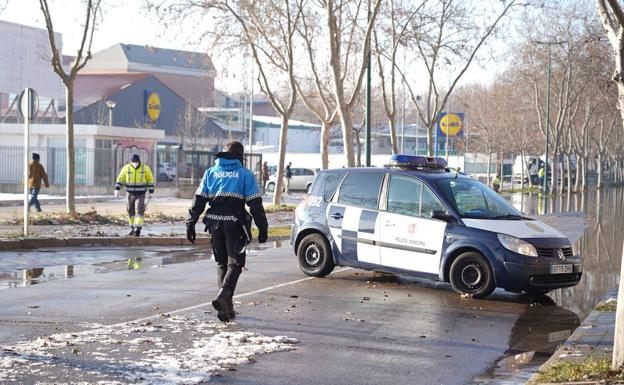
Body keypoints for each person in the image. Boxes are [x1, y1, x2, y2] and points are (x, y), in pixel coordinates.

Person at [186, 141, 268, 322]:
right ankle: (223, 296)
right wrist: (263, 228)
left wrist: (191, 222)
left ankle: (226, 309)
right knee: (236, 264)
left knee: (222, 264)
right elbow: (255, 204)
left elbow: (199, 199)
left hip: (214, 224)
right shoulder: (245, 175)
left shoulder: (210, 172)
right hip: (235, 224)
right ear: (240, 157)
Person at [114, 154, 154, 236]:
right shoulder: (126, 168)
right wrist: (117, 189)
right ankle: (132, 227)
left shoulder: (145, 168)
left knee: (140, 209)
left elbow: (150, 179)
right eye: (133, 162)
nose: (135, 163)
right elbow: (120, 178)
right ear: (131, 162)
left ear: (139, 161)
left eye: (136, 162)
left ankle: (138, 228)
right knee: (130, 210)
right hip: (130, 193)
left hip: (141, 193)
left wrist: (151, 190)